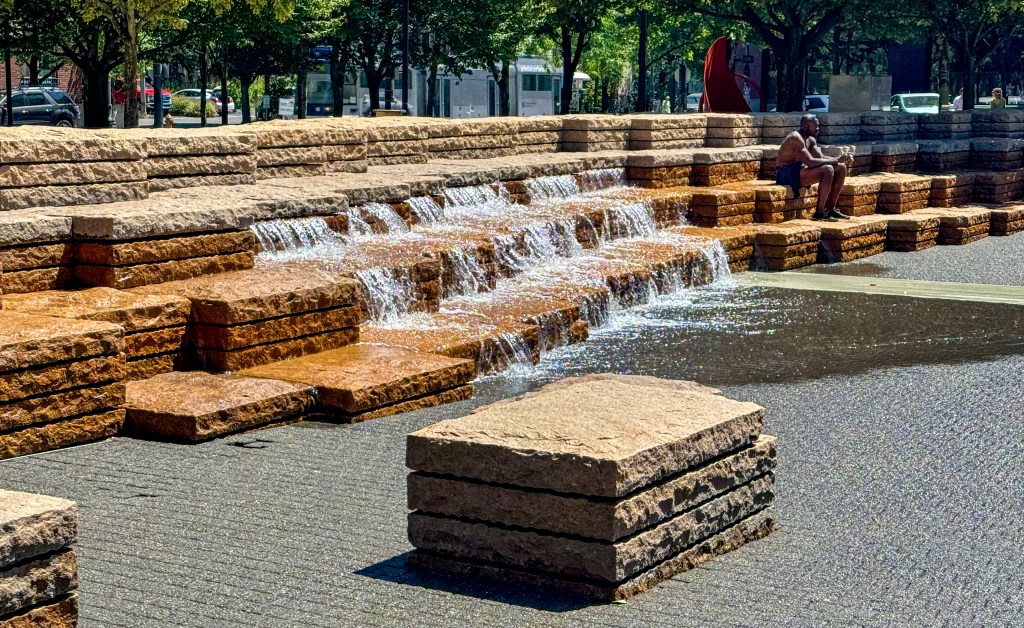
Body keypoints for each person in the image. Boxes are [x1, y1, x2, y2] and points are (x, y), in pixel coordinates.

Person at [776, 113, 854, 222]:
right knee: (827, 169)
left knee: (840, 167)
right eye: (814, 126)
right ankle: (819, 213)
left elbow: (821, 158)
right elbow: (810, 162)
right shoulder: (795, 138)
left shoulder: (811, 140)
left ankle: (831, 209)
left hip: (799, 170)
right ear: (804, 126)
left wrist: (841, 158)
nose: (817, 129)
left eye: (818, 126)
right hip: (786, 173)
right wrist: (836, 159)